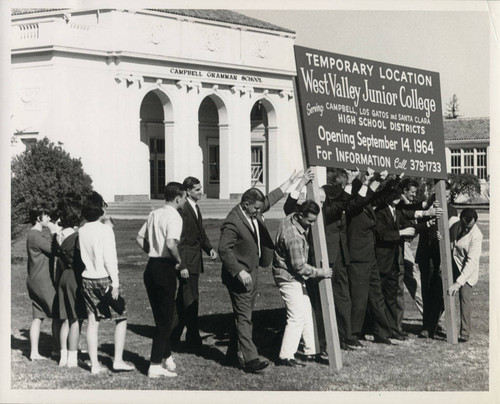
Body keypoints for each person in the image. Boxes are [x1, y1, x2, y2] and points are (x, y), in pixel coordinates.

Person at [218, 171, 300, 373]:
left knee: (242, 315)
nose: (259, 211)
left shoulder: (253, 208)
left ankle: (230, 356)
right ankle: (251, 359)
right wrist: (238, 271)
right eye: (255, 208)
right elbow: (223, 249)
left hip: (252, 271)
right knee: (245, 317)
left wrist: (289, 182)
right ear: (245, 205)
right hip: (240, 276)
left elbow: (270, 199)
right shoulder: (233, 221)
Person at [79, 192, 134, 374]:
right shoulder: (105, 230)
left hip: (87, 278)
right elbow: (110, 258)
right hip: (103, 279)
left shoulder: (82, 229)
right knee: (121, 314)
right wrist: (116, 282)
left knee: (92, 320)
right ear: (100, 209)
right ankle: (117, 360)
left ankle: (95, 365)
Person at [273, 200, 332, 367]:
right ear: (300, 216)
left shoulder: (290, 217)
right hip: (288, 277)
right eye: (310, 221)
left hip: (292, 276)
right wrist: (320, 272)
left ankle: (311, 351)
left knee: (306, 311)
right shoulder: (293, 238)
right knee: (296, 316)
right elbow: (299, 267)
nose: (312, 224)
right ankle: (285, 356)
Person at [137, 182, 187, 378]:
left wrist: (152, 252)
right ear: (177, 198)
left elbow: (139, 238)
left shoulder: (154, 214)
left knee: (160, 317)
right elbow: (170, 243)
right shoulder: (174, 216)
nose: (184, 201)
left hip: (151, 267)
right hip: (165, 268)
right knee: (165, 319)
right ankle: (155, 364)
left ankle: (166, 356)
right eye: (183, 198)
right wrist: (179, 260)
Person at [170, 177, 217, 349]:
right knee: (190, 299)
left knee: (183, 300)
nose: (201, 192)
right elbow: (179, 240)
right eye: (197, 190)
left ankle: (172, 336)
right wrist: (181, 265)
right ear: (188, 191)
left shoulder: (195, 207)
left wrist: (209, 249)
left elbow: (200, 233)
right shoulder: (183, 209)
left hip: (194, 259)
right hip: (186, 262)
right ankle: (192, 338)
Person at [416, 181, 458, 338]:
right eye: (442, 195)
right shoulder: (428, 209)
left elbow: (454, 234)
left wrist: (444, 239)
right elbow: (419, 225)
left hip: (442, 256)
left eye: (447, 196)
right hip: (427, 256)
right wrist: (429, 214)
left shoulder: (452, 211)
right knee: (427, 291)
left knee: (440, 291)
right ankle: (427, 325)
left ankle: (433, 323)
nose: (445, 199)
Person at [374, 188, 416, 337]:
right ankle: (380, 330)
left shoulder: (397, 211)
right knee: (379, 297)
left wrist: (426, 224)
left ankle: (393, 329)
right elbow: (382, 235)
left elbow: (410, 226)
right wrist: (401, 233)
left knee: (391, 298)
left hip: (394, 262)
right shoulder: (380, 212)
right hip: (382, 261)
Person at [53, 197, 87, 367]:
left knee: (64, 319)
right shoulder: (76, 237)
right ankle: (73, 357)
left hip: (62, 276)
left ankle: (63, 356)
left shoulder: (58, 235)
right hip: (74, 276)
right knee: (75, 319)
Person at [26, 207, 58, 360]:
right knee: (58, 314)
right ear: (39, 218)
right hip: (43, 280)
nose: (49, 218)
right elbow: (54, 250)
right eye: (46, 216)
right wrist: (54, 231)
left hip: (33, 279)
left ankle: (34, 352)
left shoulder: (32, 234)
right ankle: (57, 349)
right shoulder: (36, 235)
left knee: (38, 316)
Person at [446, 208, 483, 342]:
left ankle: (464, 333)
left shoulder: (477, 236)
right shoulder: (454, 223)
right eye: (464, 226)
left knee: (464, 298)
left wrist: (458, 282)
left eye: (469, 227)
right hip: (452, 264)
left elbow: (471, 262)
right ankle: (430, 327)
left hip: (466, 270)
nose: (466, 230)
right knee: (441, 293)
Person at [398, 179, 424, 316]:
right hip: (401, 245)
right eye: (412, 192)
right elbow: (409, 226)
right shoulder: (401, 205)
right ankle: (430, 317)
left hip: (407, 244)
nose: (414, 195)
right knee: (414, 280)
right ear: (404, 191)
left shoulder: (410, 204)